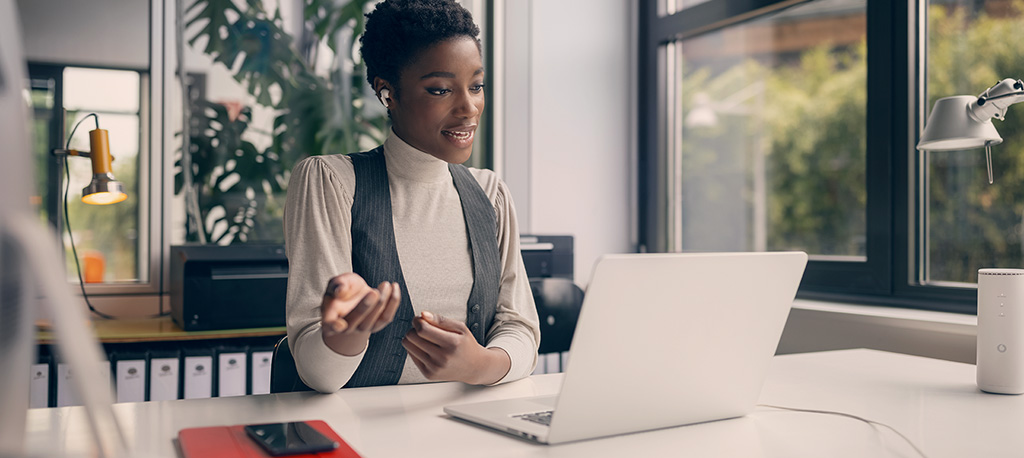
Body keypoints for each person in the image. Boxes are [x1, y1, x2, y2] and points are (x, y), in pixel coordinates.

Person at [283, 0, 540, 393]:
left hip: (467, 427)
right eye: (440, 89)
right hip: (360, 434)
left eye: (476, 85)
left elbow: (520, 327)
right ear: (387, 93)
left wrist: (479, 364)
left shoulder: (491, 193)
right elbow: (318, 377)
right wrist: (346, 335)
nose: (468, 107)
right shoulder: (331, 181)